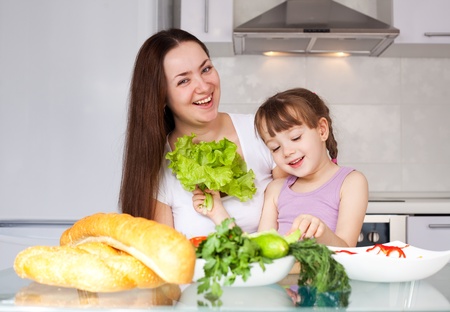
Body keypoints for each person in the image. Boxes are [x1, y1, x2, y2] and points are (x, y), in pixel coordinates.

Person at [119, 28, 284, 238]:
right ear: (161, 97)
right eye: (183, 81)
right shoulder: (157, 167)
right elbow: (168, 258)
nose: (204, 86)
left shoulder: (262, 131)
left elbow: (294, 219)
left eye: (206, 69)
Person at [254, 88, 368, 247]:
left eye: (295, 137)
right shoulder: (275, 190)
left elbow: (347, 250)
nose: (287, 152)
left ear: (322, 130)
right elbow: (262, 248)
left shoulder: (350, 182)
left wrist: (323, 234)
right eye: (275, 148)